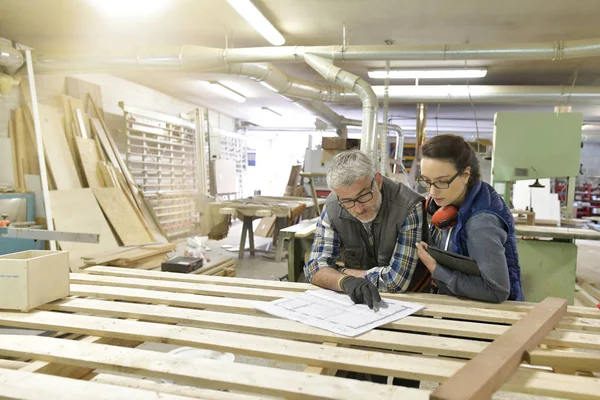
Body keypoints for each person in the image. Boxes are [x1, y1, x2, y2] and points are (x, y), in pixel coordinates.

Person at [304, 149, 432, 310]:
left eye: (363, 196)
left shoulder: (409, 207)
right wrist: (344, 281)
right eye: (348, 201)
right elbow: (314, 268)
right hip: (359, 302)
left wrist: (338, 271)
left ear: (377, 181)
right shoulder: (333, 207)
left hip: (410, 301)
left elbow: (396, 281)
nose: (358, 209)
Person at [415, 134, 524, 303]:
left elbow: (497, 291)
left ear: (466, 174)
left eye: (441, 182)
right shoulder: (459, 198)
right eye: (426, 181)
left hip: (488, 319)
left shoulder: (481, 223)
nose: (432, 191)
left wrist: (436, 269)